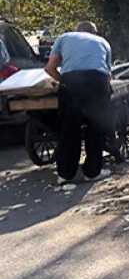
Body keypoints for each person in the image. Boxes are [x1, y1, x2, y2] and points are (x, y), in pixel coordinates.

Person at [44, 21, 114, 184]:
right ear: (94, 33)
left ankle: (65, 174)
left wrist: (63, 82)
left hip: (71, 82)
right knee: (96, 127)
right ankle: (92, 172)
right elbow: (108, 75)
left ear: (77, 30)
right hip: (98, 82)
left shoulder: (64, 37)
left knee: (68, 128)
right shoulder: (103, 42)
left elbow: (49, 68)